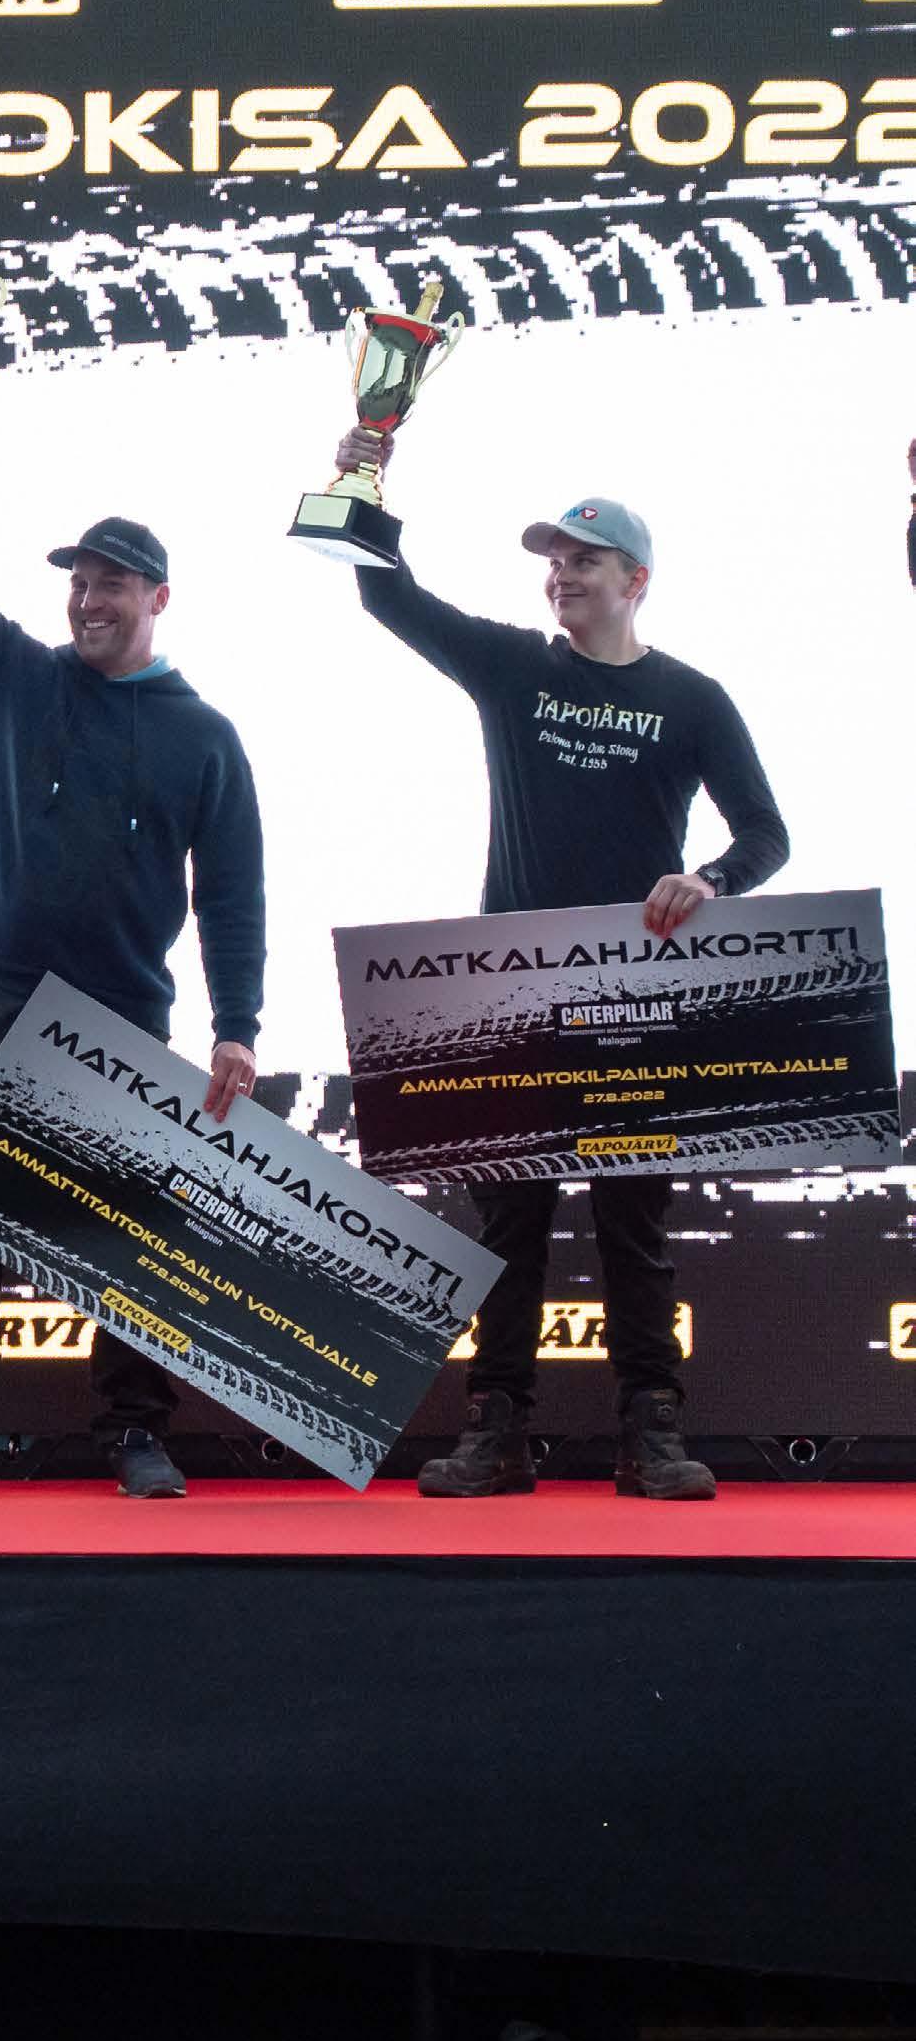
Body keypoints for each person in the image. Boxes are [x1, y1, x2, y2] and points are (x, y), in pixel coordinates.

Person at [339, 430, 789, 1501]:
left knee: (635, 1224)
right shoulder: (514, 667)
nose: (561, 574)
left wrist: (711, 880)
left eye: (584, 560)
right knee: (509, 1223)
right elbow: (384, 595)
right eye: (554, 559)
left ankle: (653, 1433)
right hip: (511, 996)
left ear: (637, 582)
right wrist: (363, 481)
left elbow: (766, 835)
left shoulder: (692, 698)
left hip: (637, 999)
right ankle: (496, 1434)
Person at [0, 372, 266, 1503]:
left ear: (159, 598)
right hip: (2, 995)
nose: (88, 600)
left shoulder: (206, 737)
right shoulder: (13, 680)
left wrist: (238, 1025)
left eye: (111, 584)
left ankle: (134, 1429)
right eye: (79, 582)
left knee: (129, 1233)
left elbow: (233, 893)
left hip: (127, 1009)